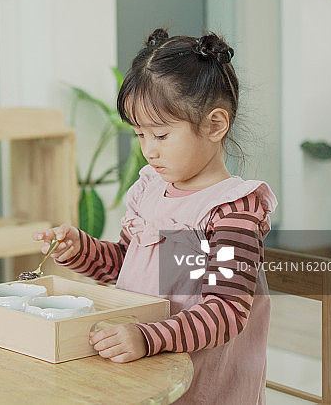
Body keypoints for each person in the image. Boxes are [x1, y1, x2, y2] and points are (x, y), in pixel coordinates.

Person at [34, 28, 277, 405]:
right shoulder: (149, 189)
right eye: (139, 135)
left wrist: (149, 336)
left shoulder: (233, 209)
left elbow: (227, 311)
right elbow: (125, 266)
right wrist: (79, 248)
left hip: (201, 382)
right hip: (144, 367)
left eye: (161, 135)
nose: (149, 150)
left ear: (215, 125)